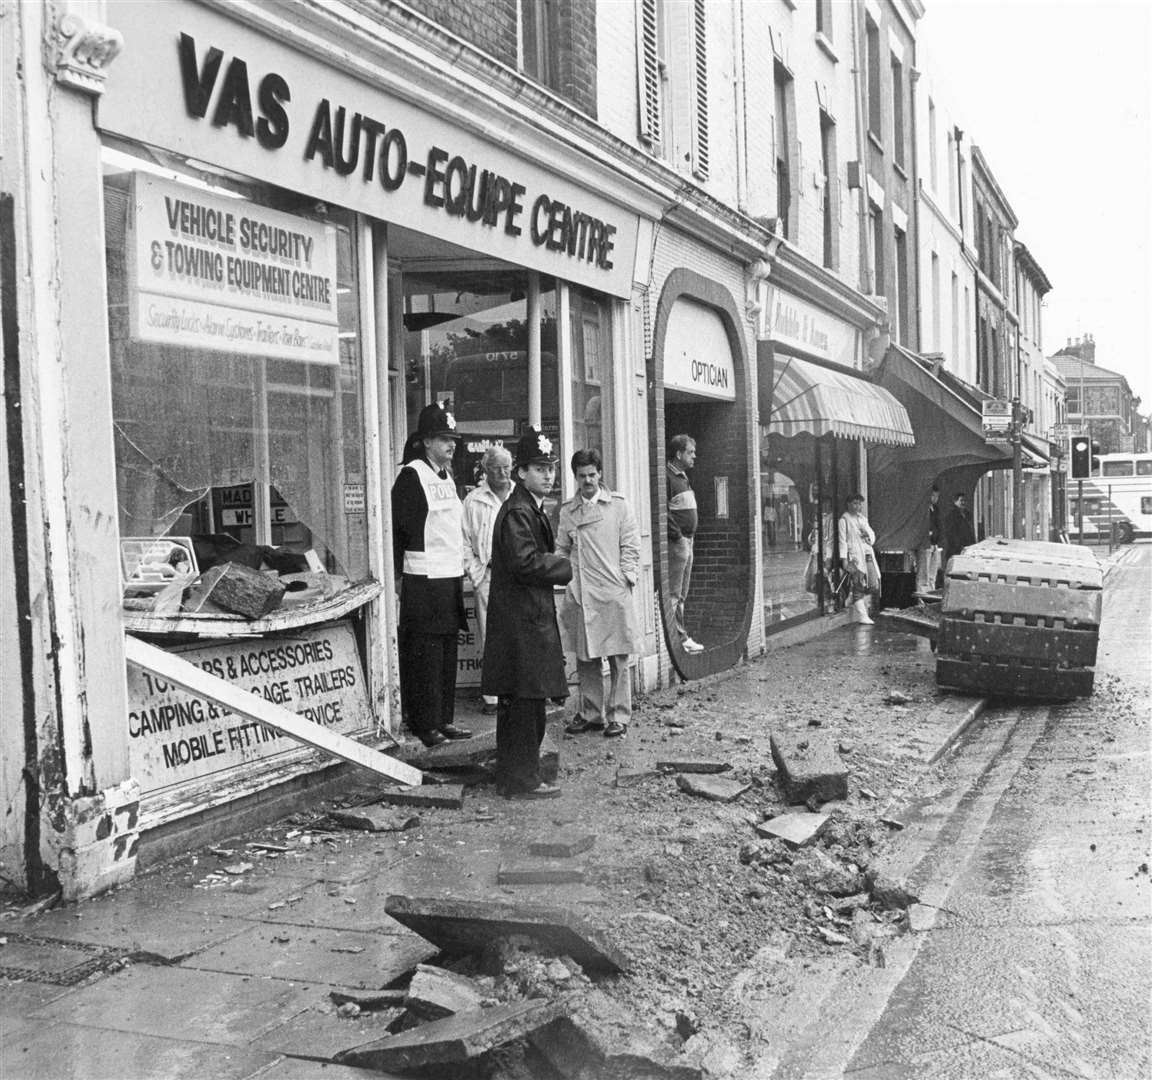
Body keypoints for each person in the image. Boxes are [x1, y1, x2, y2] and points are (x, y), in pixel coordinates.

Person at [481, 428, 572, 799]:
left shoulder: (527, 507)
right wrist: (563, 566)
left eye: (550, 467)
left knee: (526, 702)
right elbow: (524, 562)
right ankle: (521, 780)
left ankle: (517, 775)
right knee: (523, 704)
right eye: (538, 468)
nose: (547, 475)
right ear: (520, 472)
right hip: (522, 622)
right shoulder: (520, 510)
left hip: (525, 619)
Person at [391, 403, 472, 748]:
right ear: (425, 441)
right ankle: (425, 723)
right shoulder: (412, 476)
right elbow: (398, 530)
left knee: (446, 652)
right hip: (422, 581)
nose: (450, 445)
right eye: (442, 439)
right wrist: (397, 577)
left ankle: (443, 718)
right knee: (425, 654)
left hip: (448, 578)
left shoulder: (447, 476)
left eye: (452, 439)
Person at [557, 449, 642, 739]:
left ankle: (619, 715)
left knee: (618, 655)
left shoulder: (618, 506)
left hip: (613, 590)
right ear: (576, 477)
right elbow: (561, 549)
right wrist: (566, 580)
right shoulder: (568, 511)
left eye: (592, 474)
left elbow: (631, 546)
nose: (588, 480)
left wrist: (626, 579)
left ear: (600, 474)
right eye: (582, 476)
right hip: (583, 593)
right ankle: (592, 714)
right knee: (586, 656)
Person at [461, 445, 514, 716]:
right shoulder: (473, 500)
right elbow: (464, 541)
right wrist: (476, 572)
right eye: (496, 468)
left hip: (518, 577)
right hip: (489, 575)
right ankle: (492, 697)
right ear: (486, 470)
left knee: (518, 634)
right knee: (491, 636)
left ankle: (517, 693)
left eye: (507, 466)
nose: (503, 472)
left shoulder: (521, 495)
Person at [666, 434, 703, 654]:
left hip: (687, 541)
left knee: (682, 593)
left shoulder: (681, 477)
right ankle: (676, 639)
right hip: (678, 543)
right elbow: (664, 511)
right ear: (679, 454)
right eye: (690, 452)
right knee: (674, 592)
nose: (694, 456)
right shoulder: (669, 477)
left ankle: (681, 636)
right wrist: (678, 537)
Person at [838, 493, 880, 624]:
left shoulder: (863, 519)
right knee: (858, 584)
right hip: (855, 556)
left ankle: (853, 598)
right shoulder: (843, 520)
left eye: (859, 503)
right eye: (855, 503)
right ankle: (862, 615)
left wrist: (867, 535)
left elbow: (872, 535)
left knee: (873, 583)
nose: (858, 506)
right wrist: (844, 559)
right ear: (848, 504)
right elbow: (842, 541)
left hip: (867, 554)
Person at [917, 485, 943, 594]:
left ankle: (930, 597)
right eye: (933, 496)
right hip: (925, 544)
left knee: (933, 574)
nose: (935, 498)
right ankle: (922, 600)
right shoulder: (922, 509)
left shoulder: (936, 509)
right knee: (924, 575)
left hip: (935, 544)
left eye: (937, 496)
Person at [942, 491, 976, 569]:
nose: (963, 502)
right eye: (961, 500)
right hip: (956, 548)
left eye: (964, 500)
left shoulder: (967, 515)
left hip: (967, 546)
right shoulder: (951, 516)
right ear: (955, 502)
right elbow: (950, 533)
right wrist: (958, 545)